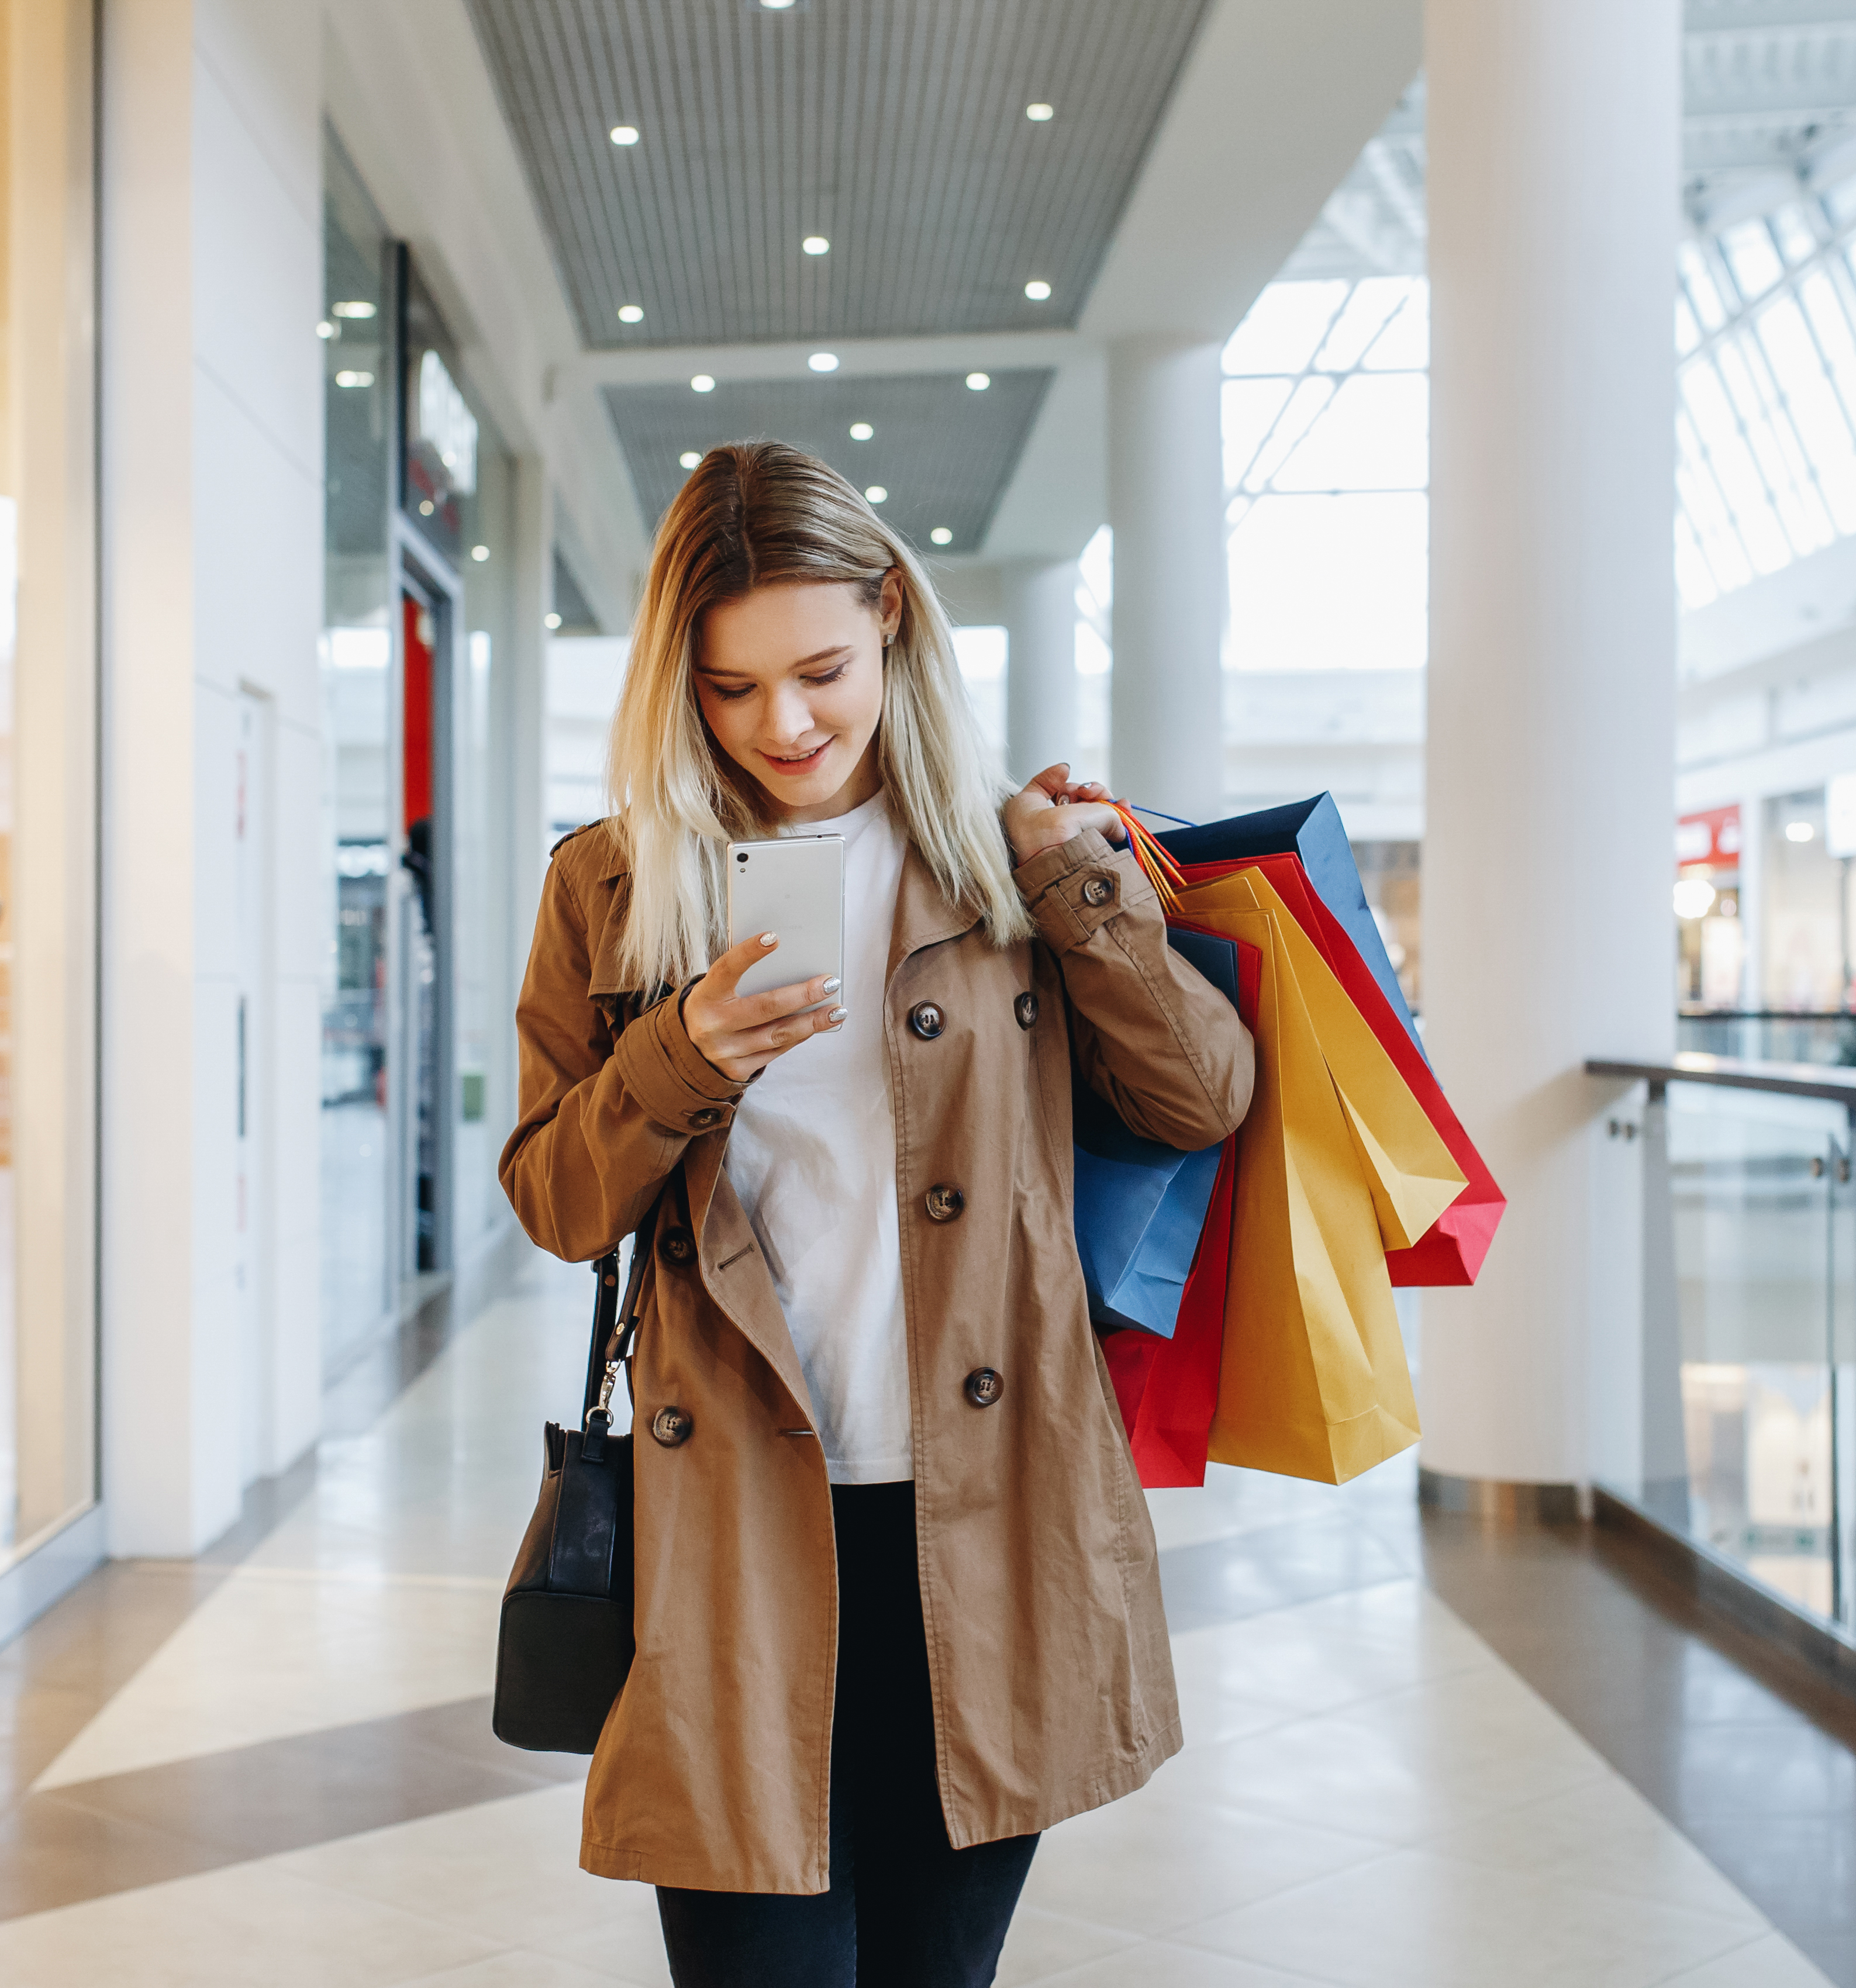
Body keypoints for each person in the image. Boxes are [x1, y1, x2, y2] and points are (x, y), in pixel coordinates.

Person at [501, 440, 1253, 1986]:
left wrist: (1085, 890)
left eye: (820, 672)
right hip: (728, 1533)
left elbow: (1202, 1099)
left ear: (893, 617)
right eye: (728, 687)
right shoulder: (613, 886)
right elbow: (559, 1205)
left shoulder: (1005, 858)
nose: (782, 724)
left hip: (985, 1514)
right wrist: (677, 1059)